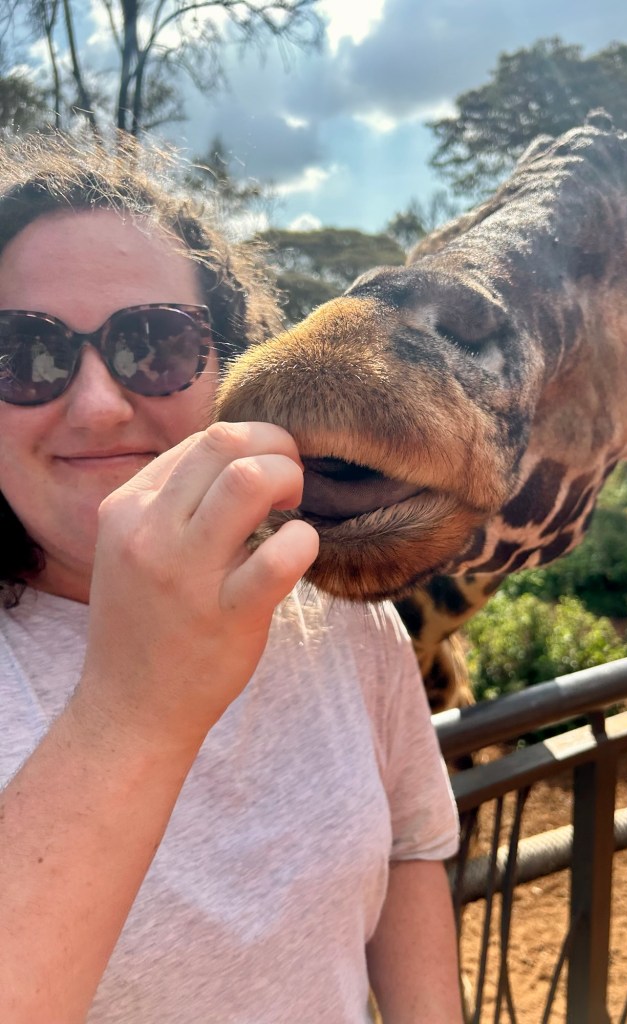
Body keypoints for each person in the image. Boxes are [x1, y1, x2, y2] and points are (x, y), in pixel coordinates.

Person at [0, 133, 463, 1024]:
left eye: (156, 345)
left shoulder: (328, 602)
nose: (97, 406)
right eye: (23, 353)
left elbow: (411, 844)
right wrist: (133, 710)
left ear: (232, 370)